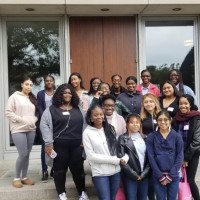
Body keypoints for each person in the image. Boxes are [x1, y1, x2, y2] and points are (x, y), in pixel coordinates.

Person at [40, 84, 89, 200]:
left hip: (77, 145)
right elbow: (44, 125)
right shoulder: (51, 109)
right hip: (58, 145)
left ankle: (82, 192)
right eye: (64, 93)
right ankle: (61, 193)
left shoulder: (78, 109)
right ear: (59, 94)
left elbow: (85, 124)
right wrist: (48, 143)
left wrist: (84, 138)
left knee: (78, 169)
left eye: (70, 93)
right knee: (59, 170)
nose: (67, 95)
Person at [83, 105, 121, 200]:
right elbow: (91, 156)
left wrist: (122, 159)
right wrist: (113, 160)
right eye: (95, 115)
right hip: (100, 173)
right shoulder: (87, 133)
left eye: (101, 114)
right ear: (90, 118)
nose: (99, 117)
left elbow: (117, 148)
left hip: (115, 171)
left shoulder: (110, 129)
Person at [5, 77, 38, 188]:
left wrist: (33, 120)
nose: (29, 86)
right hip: (18, 129)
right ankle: (16, 178)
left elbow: (35, 113)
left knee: (27, 154)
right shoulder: (14, 97)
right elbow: (8, 112)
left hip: (31, 129)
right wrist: (21, 119)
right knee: (22, 153)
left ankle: (24, 177)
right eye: (26, 84)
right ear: (22, 85)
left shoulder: (32, 98)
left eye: (31, 85)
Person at [146, 110, 183, 200]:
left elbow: (180, 156)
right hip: (158, 176)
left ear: (170, 120)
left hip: (173, 176)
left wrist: (171, 175)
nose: (163, 122)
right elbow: (151, 157)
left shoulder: (176, 136)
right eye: (160, 120)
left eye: (165, 119)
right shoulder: (151, 137)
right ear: (156, 121)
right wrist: (160, 176)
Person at [173, 94, 200, 200]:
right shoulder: (176, 118)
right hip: (179, 154)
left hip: (192, 155)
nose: (182, 106)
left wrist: (186, 158)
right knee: (180, 180)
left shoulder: (196, 118)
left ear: (190, 104)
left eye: (185, 103)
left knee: (190, 180)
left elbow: (197, 141)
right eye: (180, 103)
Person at [118, 114, 150, 200]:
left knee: (143, 198)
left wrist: (143, 174)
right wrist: (134, 175)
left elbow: (150, 159)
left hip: (144, 175)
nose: (135, 124)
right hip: (130, 176)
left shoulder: (146, 138)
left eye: (137, 122)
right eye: (132, 122)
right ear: (127, 124)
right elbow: (121, 159)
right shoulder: (123, 138)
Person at [140, 93, 161, 200]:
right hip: (146, 151)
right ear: (143, 104)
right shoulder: (141, 118)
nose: (149, 104)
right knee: (149, 177)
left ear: (155, 102)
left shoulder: (161, 116)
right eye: (146, 102)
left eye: (151, 101)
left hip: (160, 151)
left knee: (159, 175)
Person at [37, 75, 55, 182]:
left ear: (53, 82)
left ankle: (53, 168)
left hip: (56, 123)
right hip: (44, 123)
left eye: (50, 80)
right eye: (46, 81)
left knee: (55, 147)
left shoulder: (57, 93)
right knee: (45, 147)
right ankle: (45, 170)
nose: (48, 82)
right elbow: (39, 107)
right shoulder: (40, 93)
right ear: (44, 82)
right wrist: (46, 118)